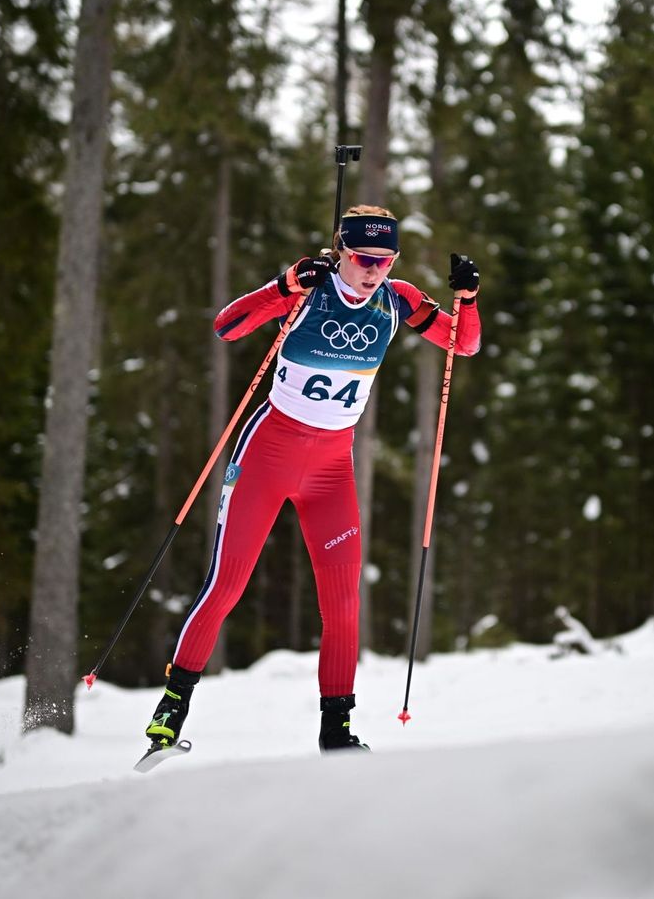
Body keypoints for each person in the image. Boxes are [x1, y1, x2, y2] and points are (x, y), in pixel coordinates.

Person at [145, 205, 482, 753]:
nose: (373, 269)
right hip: (268, 454)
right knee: (227, 585)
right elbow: (227, 326)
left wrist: (468, 300)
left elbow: (460, 344)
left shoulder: (398, 301)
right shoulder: (308, 288)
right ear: (341, 250)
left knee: (344, 602)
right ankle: (172, 708)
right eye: (363, 258)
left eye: (385, 259)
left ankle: (336, 729)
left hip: (331, 468)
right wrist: (280, 287)